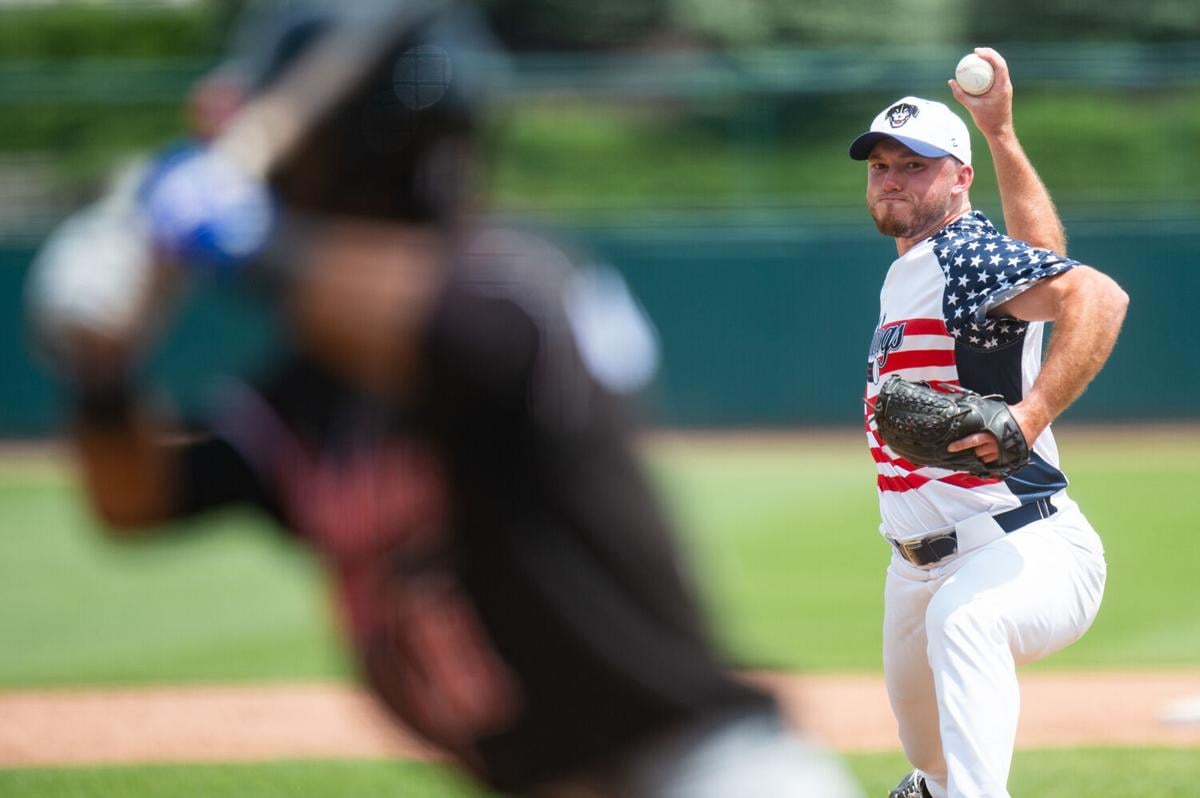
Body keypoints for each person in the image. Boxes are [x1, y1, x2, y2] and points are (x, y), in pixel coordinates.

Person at [26, 3, 862, 797]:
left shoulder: (516, 288)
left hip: (704, 775)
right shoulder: (321, 392)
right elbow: (136, 500)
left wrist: (230, 236)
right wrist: (103, 377)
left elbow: (442, 326)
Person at [849, 49, 1129, 798]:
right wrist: (1001, 134)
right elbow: (1044, 262)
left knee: (966, 627)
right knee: (927, 762)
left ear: (958, 178)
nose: (894, 179)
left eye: (916, 165)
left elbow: (1097, 298)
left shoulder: (958, 250)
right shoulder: (916, 265)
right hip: (915, 566)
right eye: (882, 166)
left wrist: (1032, 413)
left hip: (1021, 543)